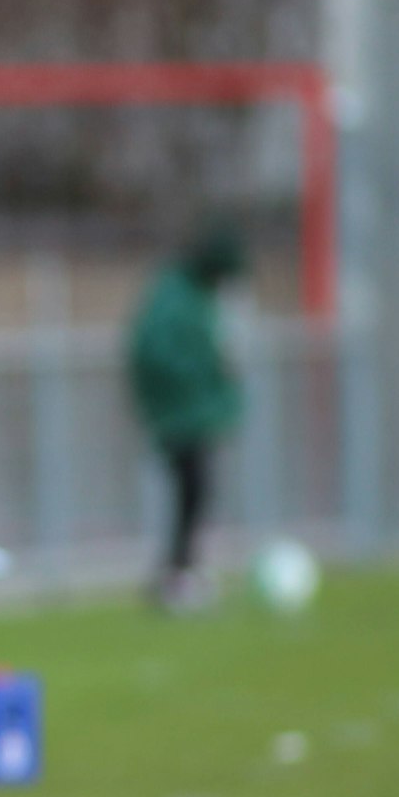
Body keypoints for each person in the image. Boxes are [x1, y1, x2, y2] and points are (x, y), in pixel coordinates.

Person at [127, 225, 245, 611]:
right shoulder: (176, 297)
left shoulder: (196, 297)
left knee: (196, 492)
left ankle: (182, 568)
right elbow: (161, 353)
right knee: (192, 490)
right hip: (180, 417)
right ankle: (178, 573)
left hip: (192, 414)